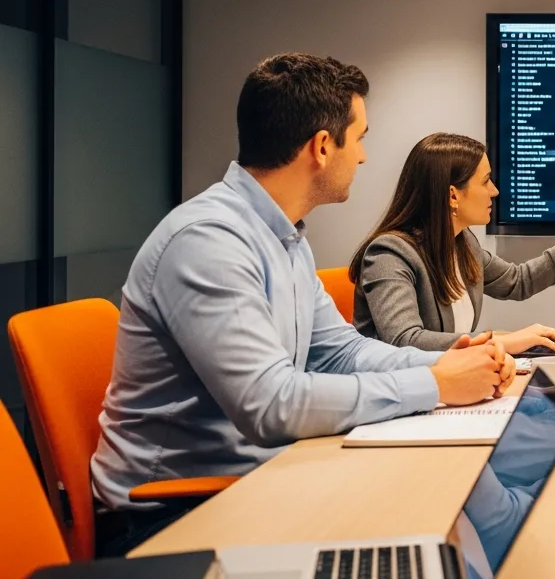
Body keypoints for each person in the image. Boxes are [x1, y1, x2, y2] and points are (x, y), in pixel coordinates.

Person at [90, 54, 513, 557]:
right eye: (359, 138)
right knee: (430, 520)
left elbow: (340, 352)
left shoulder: (285, 238)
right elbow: (269, 405)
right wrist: (434, 383)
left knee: (443, 506)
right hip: (171, 516)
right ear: (322, 146)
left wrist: (450, 362)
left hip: (262, 475)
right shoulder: (208, 242)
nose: (363, 157)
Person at [350, 132, 555, 354]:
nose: (494, 191)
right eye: (485, 181)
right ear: (452, 196)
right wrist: (500, 342)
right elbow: (404, 340)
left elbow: (517, 281)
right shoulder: (389, 254)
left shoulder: (463, 244)